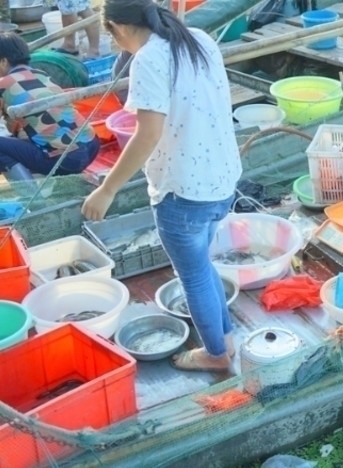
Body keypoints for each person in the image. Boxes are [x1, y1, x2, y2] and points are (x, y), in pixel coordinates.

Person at [81, 0, 243, 372]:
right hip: (221, 180)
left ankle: (216, 354)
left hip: (183, 190)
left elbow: (147, 133)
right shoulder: (198, 38)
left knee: (193, 274)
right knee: (202, 266)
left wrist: (107, 188)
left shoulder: (149, 59)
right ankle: (226, 337)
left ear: (117, 29)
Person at [0, 32, 100, 193]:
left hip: (65, 158)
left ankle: (33, 201)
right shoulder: (41, 74)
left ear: (3, 61)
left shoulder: (3, 84)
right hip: (91, 145)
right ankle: (68, 185)